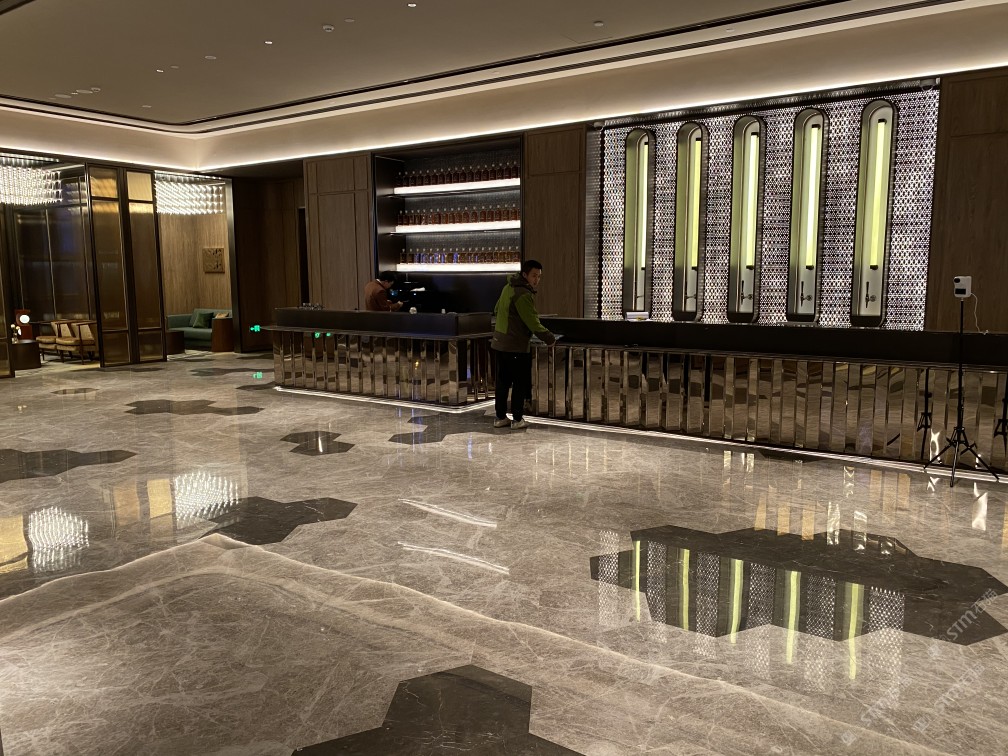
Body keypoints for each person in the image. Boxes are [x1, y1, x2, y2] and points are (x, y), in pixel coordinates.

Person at [491, 259, 556, 429]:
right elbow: (533, 322)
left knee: (503, 382)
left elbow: (496, 309)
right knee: (519, 382)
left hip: (500, 343)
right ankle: (517, 419)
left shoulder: (508, 288)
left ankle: (500, 417)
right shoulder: (523, 294)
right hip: (515, 345)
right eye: (534, 276)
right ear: (525, 274)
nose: (537, 280)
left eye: (539, 277)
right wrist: (549, 338)